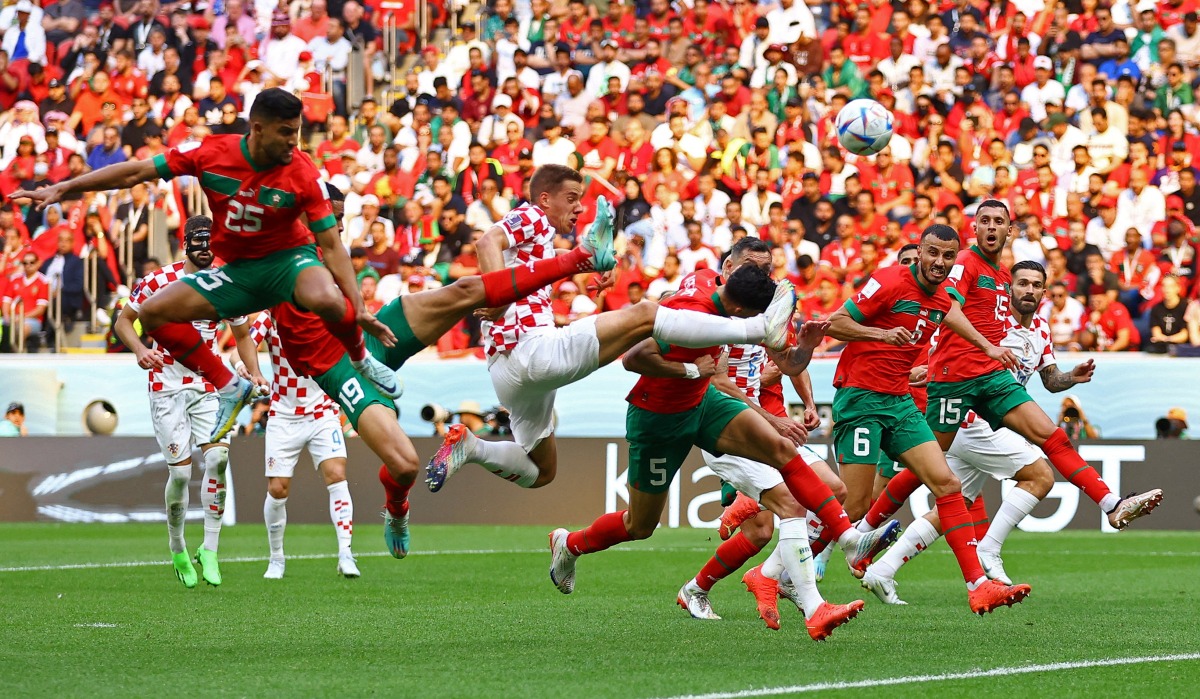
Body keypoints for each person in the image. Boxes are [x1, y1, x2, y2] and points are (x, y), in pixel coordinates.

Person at [12, 88, 399, 443]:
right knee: (153, 314)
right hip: (238, 271)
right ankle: (229, 386)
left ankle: (362, 361)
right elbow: (134, 171)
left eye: (296, 131)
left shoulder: (303, 172)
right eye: (285, 132)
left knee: (328, 298)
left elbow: (331, 246)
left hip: (289, 261)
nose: (293, 141)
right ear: (258, 128)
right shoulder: (211, 153)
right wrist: (64, 187)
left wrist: (358, 310)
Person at [259, 179, 619, 559]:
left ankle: (580, 257)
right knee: (405, 465)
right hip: (339, 366)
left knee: (466, 288)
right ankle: (397, 509)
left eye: (338, 220)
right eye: (330, 221)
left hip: (372, 333)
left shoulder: (329, 247)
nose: (340, 229)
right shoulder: (278, 260)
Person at [544, 260, 896, 615]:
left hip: (705, 402)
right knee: (640, 525)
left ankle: (848, 543)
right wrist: (692, 369)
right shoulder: (691, 319)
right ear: (742, 309)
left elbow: (786, 361)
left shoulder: (709, 282)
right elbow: (634, 359)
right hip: (659, 418)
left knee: (781, 450)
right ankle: (570, 544)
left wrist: (805, 346)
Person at [425, 165, 799, 495]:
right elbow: (488, 240)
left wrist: (590, 266)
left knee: (541, 471)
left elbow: (535, 269)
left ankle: (471, 448)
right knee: (646, 314)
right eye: (571, 198)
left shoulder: (539, 244)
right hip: (533, 351)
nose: (578, 207)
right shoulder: (534, 216)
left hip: (507, 374)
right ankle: (758, 327)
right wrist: (500, 296)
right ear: (545, 198)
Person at [859, 261, 1120, 602]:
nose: (1028, 290)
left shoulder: (1041, 328)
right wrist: (930, 367)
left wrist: (1072, 376)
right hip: (976, 420)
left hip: (991, 424)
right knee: (1040, 475)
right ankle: (988, 551)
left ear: (1044, 291)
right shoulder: (990, 321)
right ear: (1008, 289)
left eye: (1035, 284)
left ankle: (882, 569)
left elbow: (1050, 380)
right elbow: (949, 340)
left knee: (953, 504)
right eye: (1021, 283)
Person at [921, 200, 1161, 539]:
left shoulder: (1007, 282)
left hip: (991, 383)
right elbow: (946, 308)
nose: (991, 227)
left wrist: (1068, 378)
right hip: (955, 385)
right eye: (984, 221)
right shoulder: (965, 263)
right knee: (924, 470)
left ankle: (1110, 503)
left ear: (1010, 231)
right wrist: (979, 350)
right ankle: (864, 530)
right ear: (974, 228)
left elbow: (1048, 377)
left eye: (998, 221)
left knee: (1052, 439)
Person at [823, 224, 1032, 614]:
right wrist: (881, 336)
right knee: (853, 506)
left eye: (947, 256)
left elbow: (951, 320)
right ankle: (780, 570)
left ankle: (978, 586)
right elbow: (834, 323)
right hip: (862, 397)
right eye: (932, 253)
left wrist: (988, 347)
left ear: (955, 259)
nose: (939, 262)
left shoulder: (940, 299)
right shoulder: (888, 281)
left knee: (947, 483)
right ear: (919, 251)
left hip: (900, 401)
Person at [677, 238, 858, 637]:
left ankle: (707, 586)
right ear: (727, 267)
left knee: (828, 492)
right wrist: (774, 421)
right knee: (793, 503)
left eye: (767, 269)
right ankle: (813, 605)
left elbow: (788, 361)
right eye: (751, 268)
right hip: (721, 425)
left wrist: (806, 348)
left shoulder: (768, 304)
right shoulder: (710, 308)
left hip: (756, 422)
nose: (760, 277)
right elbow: (718, 384)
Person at [113, 217, 256, 589]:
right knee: (180, 474)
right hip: (167, 385)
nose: (206, 247)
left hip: (210, 384)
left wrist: (253, 372)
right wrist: (141, 349)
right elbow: (124, 322)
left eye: (212, 241)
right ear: (186, 243)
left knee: (219, 458)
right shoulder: (159, 281)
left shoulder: (226, 284)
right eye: (199, 241)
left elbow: (243, 335)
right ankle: (177, 547)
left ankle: (210, 548)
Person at [242, 309, 359, 580]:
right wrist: (245, 366)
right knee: (278, 488)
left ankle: (346, 553)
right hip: (283, 414)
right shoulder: (270, 315)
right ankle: (276, 558)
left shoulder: (325, 312)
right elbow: (244, 343)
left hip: (322, 410)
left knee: (337, 474)